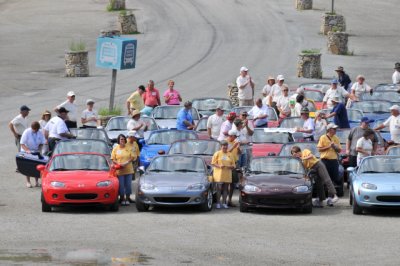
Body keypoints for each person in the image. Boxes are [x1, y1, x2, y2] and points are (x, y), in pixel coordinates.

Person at [111, 134, 136, 206]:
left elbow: (132, 157)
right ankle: (122, 199)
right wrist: (119, 163)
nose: (122, 140)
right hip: (119, 170)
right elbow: (113, 158)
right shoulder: (116, 148)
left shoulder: (129, 147)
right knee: (121, 186)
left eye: (123, 139)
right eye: (121, 139)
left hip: (128, 170)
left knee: (128, 185)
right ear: (118, 140)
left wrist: (126, 163)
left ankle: (128, 198)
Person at [20, 121, 46, 188]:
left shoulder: (40, 132)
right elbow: (22, 143)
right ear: (32, 128)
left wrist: (40, 149)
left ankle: (37, 182)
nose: (36, 130)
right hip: (26, 150)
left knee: (36, 166)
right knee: (28, 167)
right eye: (34, 129)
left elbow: (42, 142)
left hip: (35, 151)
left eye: (37, 129)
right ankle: (28, 182)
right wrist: (27, 150)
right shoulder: (27, 132)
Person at [211, 140, 236, 209]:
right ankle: (218, 202)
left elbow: (234, 165)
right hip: (219, 174)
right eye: (223, 146)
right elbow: (213, 163)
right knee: (219, 189)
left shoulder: (230, 154)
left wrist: (231, 166)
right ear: (221, 146)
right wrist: (219, 166)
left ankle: (224, 202)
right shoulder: (217, 153)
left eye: (226, 145)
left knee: (225, 189)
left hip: (227, 174)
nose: (225, 147)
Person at [317, 123, 341, 191]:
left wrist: (335, 147)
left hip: (333, 160)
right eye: (334, 129)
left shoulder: (336, 138)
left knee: (334, 178)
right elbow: (319, 149)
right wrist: (329, 146)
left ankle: (331, 196)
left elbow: (339, 150)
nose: (335, 130)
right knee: (325, 178)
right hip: (325, 160)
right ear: (329, 130)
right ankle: (325, 194)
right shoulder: (323, 137)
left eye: (335, 129)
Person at [225, 129, 241, 207]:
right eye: (235, 137)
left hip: (234, 163)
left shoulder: (236, 142)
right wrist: (233, 146)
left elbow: (240, 153)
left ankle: (229, 200)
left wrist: (238, 148)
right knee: (225, 183)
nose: (235, 138)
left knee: (233, 183)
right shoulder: (225, 142)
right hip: (227, 165)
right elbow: (225, 153)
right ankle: (224, 201)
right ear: (231, 136)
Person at [126, 130, 140, 201]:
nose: (136, 139)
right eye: (135, 137)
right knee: (126, 180)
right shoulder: (125, 143)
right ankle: (123, 197)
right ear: (131, 137)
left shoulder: (135, 143)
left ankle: (128, 197)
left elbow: (137, 154)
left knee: (130, 181)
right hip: (127, 164)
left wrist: (137, 164)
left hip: (134, 164)